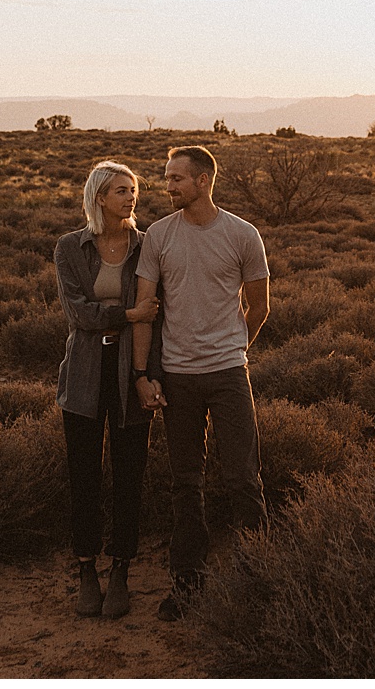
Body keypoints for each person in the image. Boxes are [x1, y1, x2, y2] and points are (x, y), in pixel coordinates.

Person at [131, 144, 270, 622]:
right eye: (166, 177)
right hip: (178, 375)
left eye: (176, 179)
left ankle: (259, 583)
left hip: (229, 373)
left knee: (242, 480)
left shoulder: (242, 235)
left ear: (204, 181)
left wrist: (235, 348)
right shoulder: (158, 237)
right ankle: (187, 585)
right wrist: (145, 373)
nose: (166, 186)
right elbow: (146, 310)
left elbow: (260, 306)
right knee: (186, 483)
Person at [53, 160, 161, 619]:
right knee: (84, 476)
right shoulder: (70, 248)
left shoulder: (147, 246)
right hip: (83, 373)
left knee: (128, 474)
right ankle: (85, 570)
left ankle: (120, 570)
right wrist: (130, 315)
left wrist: (147, 370)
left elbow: (159, 311)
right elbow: (78, 314)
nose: (130, 197)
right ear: (99, 196)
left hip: (131, 368)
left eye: (133, 189)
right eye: (121, 190)